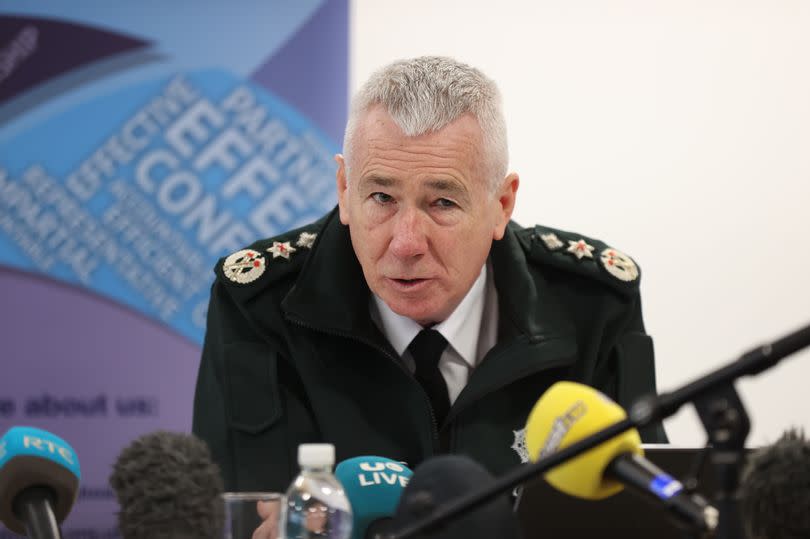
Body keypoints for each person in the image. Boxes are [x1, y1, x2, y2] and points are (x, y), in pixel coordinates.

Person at [192, 55, 667, 494]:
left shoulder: (593, 306)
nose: (405, 243)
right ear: (344, 189)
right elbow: (245, 510)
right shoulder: (261, 306)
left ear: (501, 204)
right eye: (381, 198)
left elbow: (637, 511)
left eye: (442, 202)